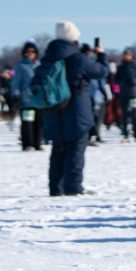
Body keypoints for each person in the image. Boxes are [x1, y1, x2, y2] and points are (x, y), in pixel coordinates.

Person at [39, 22, 109, 195]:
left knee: (58, 150)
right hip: (77, 110)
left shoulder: (48, 57)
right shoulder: (77, 57)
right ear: (73, 37)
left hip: (54, 109)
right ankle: (73, 188)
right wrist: (101, 55)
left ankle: (55, 188)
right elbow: (102, 71)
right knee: (75, 150)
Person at [12, 40, 43, 150]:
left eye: (32, 51)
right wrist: (15, 95)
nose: (30, 53)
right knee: (27, 122)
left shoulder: (39, 65)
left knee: (39, 122)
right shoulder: (21, 66)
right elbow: (15, 82)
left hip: (39, 98)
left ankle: (37, 143)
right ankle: (28, 144)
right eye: (28, 51)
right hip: (26, 99)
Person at [115, 50, 136, 143]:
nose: (126, 57)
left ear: (131, 56)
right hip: (123, 94)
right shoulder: (120, 67)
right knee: (124, 114)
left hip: (134, 93)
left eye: (128, 55)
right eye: (125, 55)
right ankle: (125, 134)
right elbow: (116, 80)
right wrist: (124, 82)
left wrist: (134, 81)